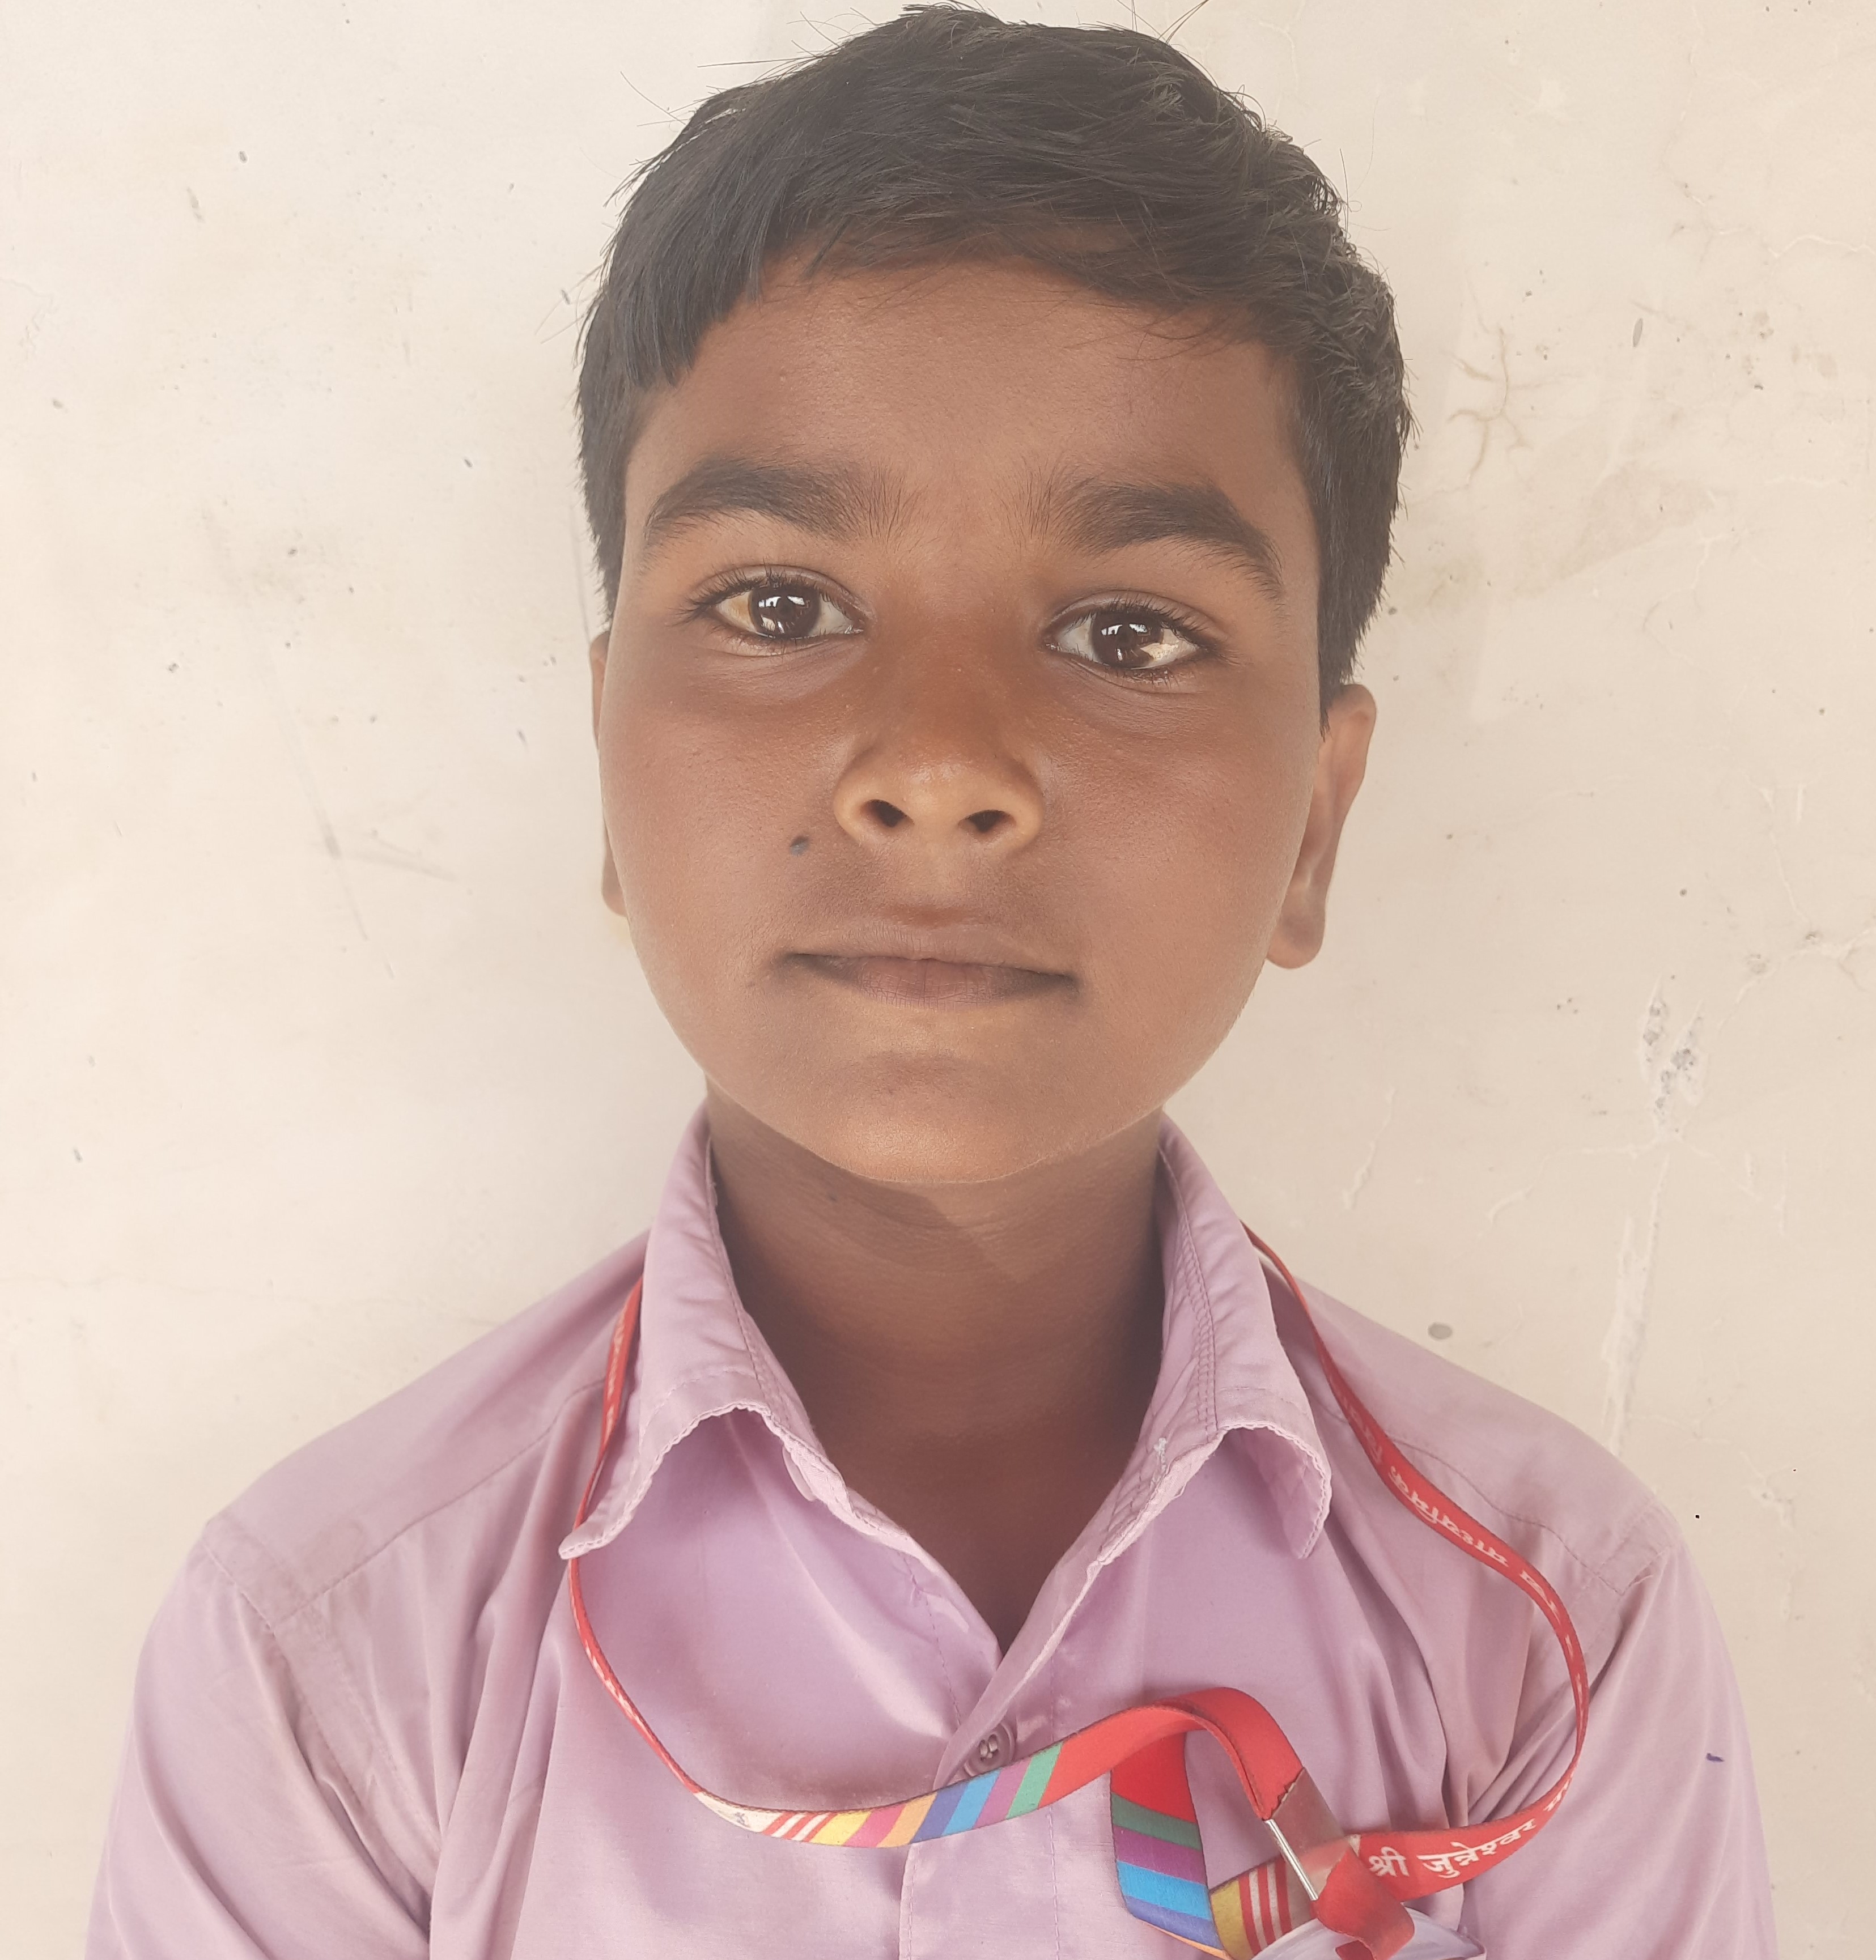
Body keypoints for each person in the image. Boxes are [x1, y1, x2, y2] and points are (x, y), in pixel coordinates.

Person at [87, 10, 1777, 1957]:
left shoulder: (1548, 1631)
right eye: (778, 604)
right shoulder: (330, 1653)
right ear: (610, 767)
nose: (940, 765)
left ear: (1314, 824)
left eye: (1128, 633)